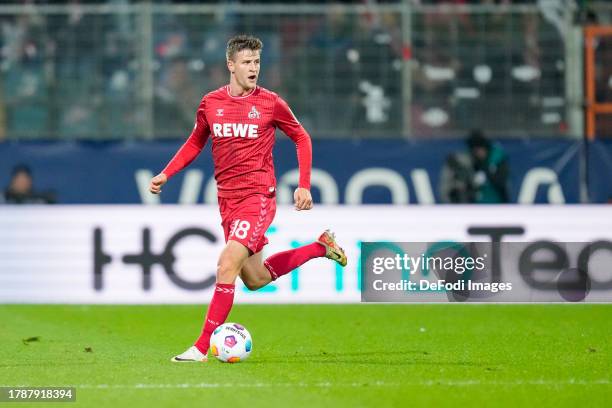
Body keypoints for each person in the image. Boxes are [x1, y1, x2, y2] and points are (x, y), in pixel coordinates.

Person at [149, 35, 347, 363]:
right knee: (254, 279)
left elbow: (301, 136)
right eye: (246, 62)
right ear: (231, 65)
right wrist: (166, 173)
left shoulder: (270, 102)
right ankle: (320, 247)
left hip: (258, 198)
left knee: (227, 263)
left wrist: (304, 184)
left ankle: (200, 348)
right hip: (227, 201)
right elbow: (195, 142)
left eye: (256, 62)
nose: (253, 68)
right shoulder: (210, 103)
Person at [439, 130, 509, 204]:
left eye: (480, 149)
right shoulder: (470, 160)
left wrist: (487, 175)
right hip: (476, 205)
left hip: (497, 204)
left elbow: (502, 182)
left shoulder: (497, 158)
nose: (478, 153)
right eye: (475, 150)